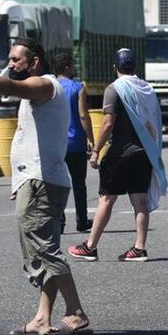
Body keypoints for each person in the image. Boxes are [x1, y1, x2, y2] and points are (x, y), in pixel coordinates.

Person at [0, 38, 90, 335]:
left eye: (17, 60)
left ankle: (76, 311)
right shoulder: (40, 89)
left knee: (46, 250)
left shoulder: (44, 86)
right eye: (9, 58)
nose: (11, 65)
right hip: (39, 180)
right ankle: (43, 317)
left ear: (35, 62)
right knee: (42, 251)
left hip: (40, 182)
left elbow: (10, 87)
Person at [69, 48, 168, 262]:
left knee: (106, 199)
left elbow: (108, 122)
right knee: (139, 201)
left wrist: (96, 150)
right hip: (144, 153)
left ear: (115, 67)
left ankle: (90, 246)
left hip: (121, 154)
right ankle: (139, 248)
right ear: (134, 67)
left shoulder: (114, 89)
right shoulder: (147, 89)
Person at [54, 51, 95, 233]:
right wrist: (92, 140)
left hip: (56, 143)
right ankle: (82, 220)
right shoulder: (78, 87)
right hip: (76, 143)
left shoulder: (50, 87)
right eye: (72, 66)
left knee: (57, 184)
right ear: (67, 67)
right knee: (79, 183)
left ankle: (59, 222)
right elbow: (83, 115)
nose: (74, 69)